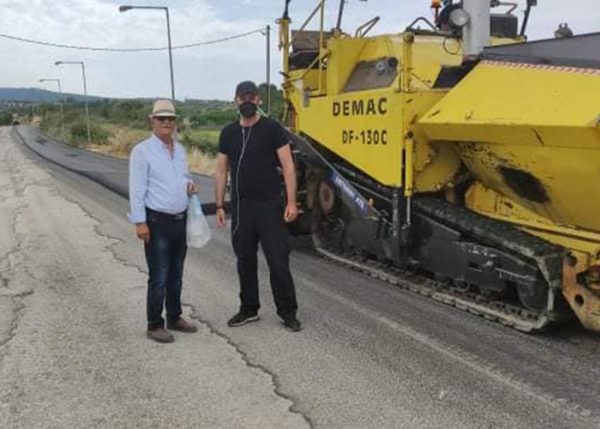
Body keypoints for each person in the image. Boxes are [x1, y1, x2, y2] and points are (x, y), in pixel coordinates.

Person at [215, 81, 301, 332]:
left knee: (278, 261)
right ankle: (249, 309)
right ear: (236, 101)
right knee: (245, 260)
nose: (247, 102)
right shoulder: (228, 133)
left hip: (270, 205)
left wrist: (292, 202)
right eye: (242, 98)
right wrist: (220, 205)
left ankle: (288, 312)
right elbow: (221, 170)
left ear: (258, 100)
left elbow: (288, 166)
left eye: (251, 97)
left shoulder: (272, 129)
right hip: (242, 207)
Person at [128, 99, 199, 343]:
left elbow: (183, 177)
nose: (167, 122)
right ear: (152, 121)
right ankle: (154, 324)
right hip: (156, 222)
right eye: (161, 118)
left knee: (176, 274)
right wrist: (140, 222)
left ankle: (174, 317)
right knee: (159, 275)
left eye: (171, 118)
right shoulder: (142, 151)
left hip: (180, 220)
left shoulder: (180, 151)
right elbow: (137, 189)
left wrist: (189, 186)